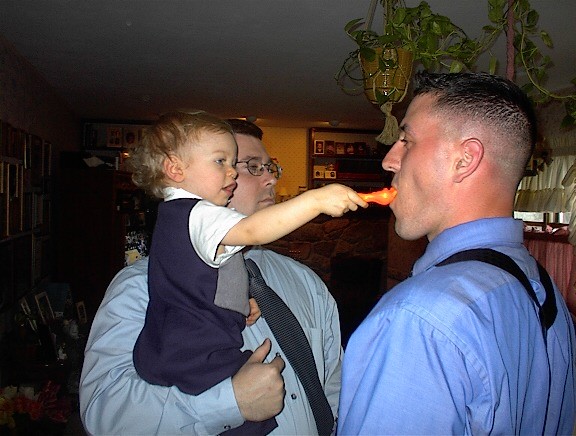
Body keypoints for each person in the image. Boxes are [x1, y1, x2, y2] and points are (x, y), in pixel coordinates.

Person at [338, 72, 576, 435]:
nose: (389, 160)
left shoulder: (418, 319)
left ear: (465, 160)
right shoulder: (545, 290)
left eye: (407, 140)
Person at [80, 118, 345, 434]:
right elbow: (104, 413)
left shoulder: (305, 282)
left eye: (270, 167)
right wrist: (230, 403)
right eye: (252, 167)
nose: (271, 179)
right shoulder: (141, 286)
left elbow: (333, 385)